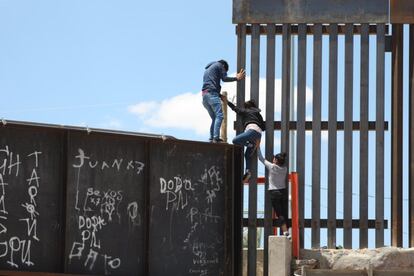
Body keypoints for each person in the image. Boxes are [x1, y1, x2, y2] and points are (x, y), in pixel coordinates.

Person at [202, 60, 245, 143]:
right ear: (224, 67)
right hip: (212, 94)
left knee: (215, 117)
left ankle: (211, 138)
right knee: (220, 116)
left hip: (205, 96)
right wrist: (237, 78)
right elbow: (224, 78)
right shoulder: (220, 65)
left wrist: (219, 95)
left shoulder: (208, 70)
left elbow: (211, 83)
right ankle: (216, 138)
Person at [227, 99, 265, 181]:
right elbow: (263, 127)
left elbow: (234, 108)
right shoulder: (258, 114)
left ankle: (251, 145)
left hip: (251, 131)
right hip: (257, 134)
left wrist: (226, 101)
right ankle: (248, 172)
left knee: (235, 140)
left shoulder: (246, 111)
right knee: (247, 155)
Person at [257, 148, 290, 238]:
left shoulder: (272, 167)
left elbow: (261, 158)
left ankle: (286, 232)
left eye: (274, 158)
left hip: (274, 192)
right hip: (283, 192)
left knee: (279, 213)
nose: (273, 159)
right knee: (284, 212)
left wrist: (258, 148)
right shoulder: (285, 169)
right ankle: (287, 230)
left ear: (276, 160)